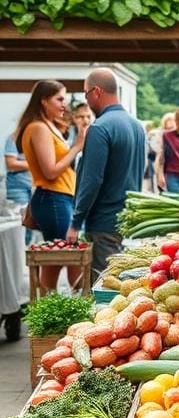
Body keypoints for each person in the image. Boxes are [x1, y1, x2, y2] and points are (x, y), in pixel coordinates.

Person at [66, 68, 146, 275]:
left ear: (96, 92)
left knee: (105, 286)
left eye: (86, 93)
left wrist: (75, 222)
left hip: (104, 222)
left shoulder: (100, 128)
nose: (86, 99)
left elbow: (91, 180)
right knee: (121, 283)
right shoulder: (136, 126)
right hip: (127, 218)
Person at [12, 80, 86, 293]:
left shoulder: (49, 126)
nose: (64, 104)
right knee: (64, 256)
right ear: (44, 101)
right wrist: (76, 147)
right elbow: (50, 171)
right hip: (53, 198)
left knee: (59, 257)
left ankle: (54, 304)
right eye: (59, 98)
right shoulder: (38, 128)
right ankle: (70, 303)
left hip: (60, 198)